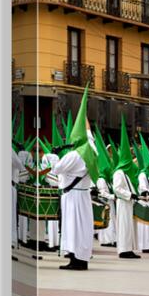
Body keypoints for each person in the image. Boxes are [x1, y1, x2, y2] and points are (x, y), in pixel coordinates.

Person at [53, 86, 95, 270]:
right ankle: (82, 258)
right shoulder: (92, 150)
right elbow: (89, 132)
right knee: (83, 228)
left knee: (73, 228)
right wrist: (83, 112)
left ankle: (75, 260)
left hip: (73, 196)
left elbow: (56, 168)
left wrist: (59, 153)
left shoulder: (75, 155)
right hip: (83, 195)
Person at [112, 119, 141, 260]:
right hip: (123, 202)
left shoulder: (127, 174)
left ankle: (129, 248)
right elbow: (117, 189)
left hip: (128, 202)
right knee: (124, 226)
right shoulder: (119, 173)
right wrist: (130, 195)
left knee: (129, 226)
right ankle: (123, 250)